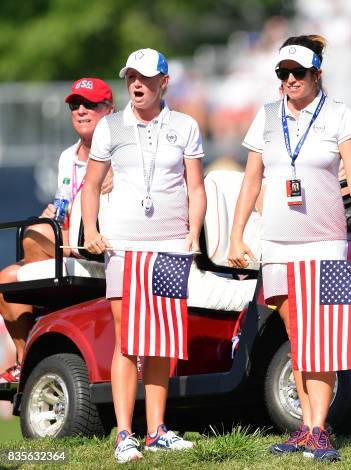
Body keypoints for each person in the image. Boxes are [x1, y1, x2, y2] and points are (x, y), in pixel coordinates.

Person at [228, 35, 351, 462]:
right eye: (283, 73)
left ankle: (316, 427)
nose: (290, 80)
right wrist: (238, 234)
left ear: (317, 74)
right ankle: (310, 428)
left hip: (327, 244)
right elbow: (251, 180)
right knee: (298, 335)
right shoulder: (266, 117)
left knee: (324, 338)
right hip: (277, 245)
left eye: (298, 73)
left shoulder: (340, 116)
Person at [81, 48, 205, 463]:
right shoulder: (110, 127)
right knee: (128, 341)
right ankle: (124, 434)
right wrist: (93, 230)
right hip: (124, 246)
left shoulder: (185, 125)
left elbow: (196, 188)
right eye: (131, 76)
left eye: (145, 77)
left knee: (162, 343)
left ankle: (156, 431)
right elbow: (92, 185)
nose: (136, 84)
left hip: (171, 244)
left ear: (163, 82)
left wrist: (193, 234)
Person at [0, 78, 114, 384]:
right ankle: (26, 363)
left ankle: (42, 317)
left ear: (109, 110)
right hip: (69, 241)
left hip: (107, 246)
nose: (80, 110)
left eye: (90, 104)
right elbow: (65, 207)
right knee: (7, 280)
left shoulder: (121, 151)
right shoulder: (68, 157)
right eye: (75, 105)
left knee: (35, 234)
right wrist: (54, 215)